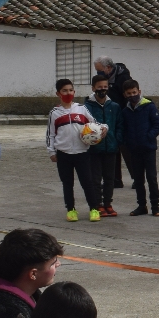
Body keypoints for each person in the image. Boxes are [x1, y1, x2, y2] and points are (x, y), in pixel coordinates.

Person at [47, 78, 99, 223]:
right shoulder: (55, 113)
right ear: (58, 93)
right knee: (67, 183)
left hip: (82, 153)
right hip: (63, 154)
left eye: (70, 90)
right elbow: (50, 134)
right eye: (64, 90)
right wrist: (51, 151)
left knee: (87, 182)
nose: (68, 93)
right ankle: (71, 210)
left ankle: (94, 209)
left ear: (74, 92)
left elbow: (94, 123)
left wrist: (102, 129)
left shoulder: (81, 109)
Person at [117, 78, 159, 217]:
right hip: (134, 150)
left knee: (151, 178)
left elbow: (158, 124)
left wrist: (149, 136)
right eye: (129, 93)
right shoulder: (125, 111)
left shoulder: (149, 106)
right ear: (125, 95)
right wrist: (126, 141)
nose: (132, 95)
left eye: (134, 92)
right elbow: (123, 128)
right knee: (138, 180)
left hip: (148, 148)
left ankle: (155, 206)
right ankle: (141, 205)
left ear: (139, 91)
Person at [83, 72, 123, 217]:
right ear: (93, 88)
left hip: (111, 148)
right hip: (94, 149)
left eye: (105, 87)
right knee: (95, 179)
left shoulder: (114, 106)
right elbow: (84, 126)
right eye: (100, 87)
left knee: (109, 178)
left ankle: (108, 204)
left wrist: (117, 140)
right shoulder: (86, 106)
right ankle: (97, 204)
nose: (103, 89)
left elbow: (119, 125)